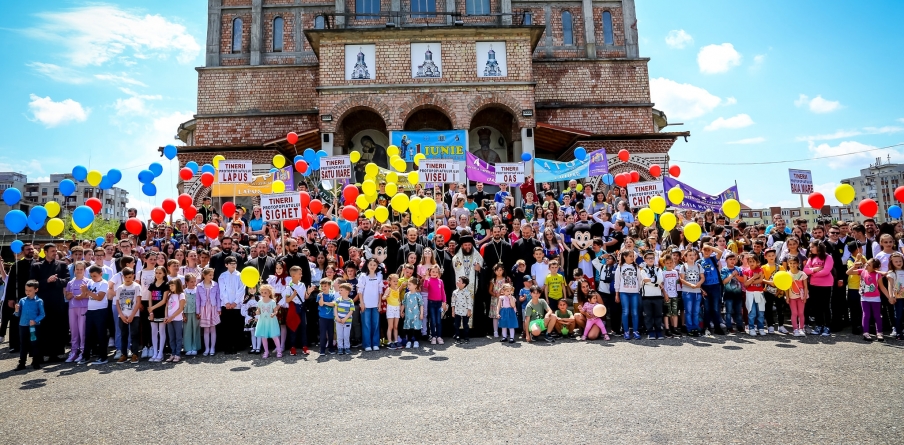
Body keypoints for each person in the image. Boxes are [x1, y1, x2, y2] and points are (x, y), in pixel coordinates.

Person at [848, 258, 885, 342]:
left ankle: (879, 332)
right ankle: (866, 332)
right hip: (864, 297)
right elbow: (848, 272)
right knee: (866, 315)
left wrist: (890, 297)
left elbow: (882, 287)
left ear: (874, 268)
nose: (866, 265)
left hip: (875, 298)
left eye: (869, 265)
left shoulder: (877, 275)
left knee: (877, 315)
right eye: (867, 263)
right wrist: (854, 266)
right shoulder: (862, 271)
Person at [804, 240, 834, 336]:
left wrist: (812, 274)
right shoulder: (811, 257)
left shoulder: (828, 257)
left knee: (825, 306)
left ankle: (827, 326)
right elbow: (805, 270)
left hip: (826, 285)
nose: (810, 249)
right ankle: (819, 325)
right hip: (814, 285)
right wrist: (814, 270)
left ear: (818, 247)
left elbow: (826, 271)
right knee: (817, 307)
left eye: (812, 247)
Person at [13, 280, 45, 371]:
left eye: (30, 290)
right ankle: (22, 363)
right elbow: (17, 315)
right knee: (23, 344)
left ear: (36, 290)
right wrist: (16, 310)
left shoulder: (39, 301)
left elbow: (42, 314)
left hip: (34, 327)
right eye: (26, 290)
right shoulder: (22, 300)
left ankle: (36, 362)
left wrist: (35, 321)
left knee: (35, 344)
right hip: (23, 325)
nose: (27, 292)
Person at [217, 256, 246, 354]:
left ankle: (235, 346)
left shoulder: (240, 275)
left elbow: (241, 289)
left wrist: (235, 302)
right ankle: (227, 346)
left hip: (236, 305)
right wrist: (226, 302)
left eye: (235, 263)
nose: (233, 265)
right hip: (226, 305)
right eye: (231, 264)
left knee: (236, 326)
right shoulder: (222, 275)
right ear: (226, 265)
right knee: (226, 326)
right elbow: (222, 289)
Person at [113, 268, 142, 363]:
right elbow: (117, 302)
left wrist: (132, 315)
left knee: (134, 334)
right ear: (123, 277)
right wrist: (121, 315)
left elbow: (138, 302)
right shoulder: (120, 288)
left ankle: (135, 354)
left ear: (133, 276)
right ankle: (124, 354)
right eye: (126, 277)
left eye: (130, 277)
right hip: (122, 316)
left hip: (134, 315)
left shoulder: (137, 286)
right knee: (123, 335)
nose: (128, 279)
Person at [83, 265, 109, 365]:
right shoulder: (90, 282)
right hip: (90, 311)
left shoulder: (104, 283)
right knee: (88, 334)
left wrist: (88, 292)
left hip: (101, 311)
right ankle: (86, 356)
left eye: (94, 276)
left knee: (101, 334)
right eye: (91, 276)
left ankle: (103, 357)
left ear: (100, 274)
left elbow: (99, 297)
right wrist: (84, 291)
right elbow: (86, 295)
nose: (93, 278)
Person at [64, 261, 90, 363]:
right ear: (74, 270)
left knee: (82, 330)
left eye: (81, 269)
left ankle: (83, 351)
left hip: (84, 307)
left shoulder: (88, 281)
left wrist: (82, 295)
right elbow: (67, 296)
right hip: (72, 308)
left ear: (84, 270)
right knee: (74, 331)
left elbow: (89, 295)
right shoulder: (70, 282)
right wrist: (69, 296)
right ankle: (74, 351)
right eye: (77, 269)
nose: (79, 271)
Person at [357, 258, 383, 351]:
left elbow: (380, 291)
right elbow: (360, 290)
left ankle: (375, 343)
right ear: (367, 265)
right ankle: (367, 344)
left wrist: (379, 303)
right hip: (366, 304)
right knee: (366, 324)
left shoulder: (379, 276)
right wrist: (362, 302)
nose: (372, 266)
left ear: (377, 266)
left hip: (375, 304)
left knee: (375, 324)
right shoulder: (363, 276)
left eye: (374, 265)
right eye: (371, 264)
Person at [615, 250, 641, 340]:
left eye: (633, 256)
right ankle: (626, 331)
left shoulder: (636, 267)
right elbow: (617, 281)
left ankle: (635, 331)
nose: (632, 257)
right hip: (624, 292)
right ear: (624, 257)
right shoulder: (620, 267)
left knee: (634, 312)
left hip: (634, 293)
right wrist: (617, 294)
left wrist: (638, 289)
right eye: (630, 256)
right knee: (625, 312)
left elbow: (639, 279)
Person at [640, 251, 665, 339]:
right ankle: (650, 331)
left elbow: (660, 280)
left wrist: (651, 281)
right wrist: (655, 282)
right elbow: (645, 279)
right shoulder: (643, 270)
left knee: (658, 314)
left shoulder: (658, 269)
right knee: (648, 315)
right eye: (648, 258)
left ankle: (658, 330)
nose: (651, 260)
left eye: (652, 258)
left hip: (657, 295)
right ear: (645, 260)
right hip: (647, 296)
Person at [678, 249, 703, 337]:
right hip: (687, 292)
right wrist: (690, 284)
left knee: (696, 311)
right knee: (688, 311)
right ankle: (689, 328)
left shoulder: (699, 266)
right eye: (690, 255)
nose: (692, 256)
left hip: (697, 292)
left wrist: (698, 284)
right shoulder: (683, 266)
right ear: (685, 257)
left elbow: (702, 277)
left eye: (694, 255)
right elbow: (682, 279)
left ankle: (695, 328)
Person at [197, 268, 221, 356]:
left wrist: (219, 308)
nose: (212, 276)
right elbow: (197, 299)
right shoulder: (199, 286)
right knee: (206, 330)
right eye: (210, 275)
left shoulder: (215, 284)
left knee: (213, 329)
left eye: (212, 275)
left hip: (213, 308)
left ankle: (212, 348)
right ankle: (207, 348)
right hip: (204, 309)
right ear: (204, 275)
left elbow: (218, 297)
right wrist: (198, 311)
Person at [254, 284, 282, 358]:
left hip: (271, 321)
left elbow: (275, 311)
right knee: (264, 337)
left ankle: (279, 351)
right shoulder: (260, 302)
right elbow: (259, 310)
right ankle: (266, 351)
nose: (263, 294)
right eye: (262, 292)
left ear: (269, 293)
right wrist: (257, 312)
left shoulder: (272, 302)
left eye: (265, 292)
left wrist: (274, 314)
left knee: (274, 336)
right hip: (263, 321)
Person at [164, 279, 186, 362]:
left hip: (177, 319)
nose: (171, 287)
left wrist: (171, 317)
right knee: (171, 337)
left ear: (177, 285)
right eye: (170, 285)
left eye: (172, 285)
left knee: (178, 337)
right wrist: (166, 317)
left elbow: (180, 309)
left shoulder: (181, 295)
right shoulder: (169, 295)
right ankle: (173, 353)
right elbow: (166, 307)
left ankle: (178, 354)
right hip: (169, 320)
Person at [744, 255, 766, 336]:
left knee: (760, 312)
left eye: (753, 261)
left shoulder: (760, 270)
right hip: (750, 294)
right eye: (750, 261)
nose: (752, 263)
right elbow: (745, 283)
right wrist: (753, 277)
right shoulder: (746, 271)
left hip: (759, 293)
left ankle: (761, 328)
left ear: (757, 262)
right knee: (752, 312)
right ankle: (751, 328)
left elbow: (760, 280)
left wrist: (750, 282)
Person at [424, 264, 447, 344]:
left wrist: (444, 302)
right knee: (433, 321)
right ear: (430, 272)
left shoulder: (440, 281)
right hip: (431, 303)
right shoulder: (429, 280)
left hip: (439, 303)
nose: (434, 273)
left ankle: (439, 336)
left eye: (436, 272)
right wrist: (426, 278)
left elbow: (443, 292)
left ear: (438, 273)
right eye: (433, 271)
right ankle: (433, 336)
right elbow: (425, 286)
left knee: (438, 321)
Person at [786, 256, 808, 337]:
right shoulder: (787, 274)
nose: (792, 265)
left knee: (801, 313)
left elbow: (805, 286)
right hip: (792, 297)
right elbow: (786, 287)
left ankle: (801, 328)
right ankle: (795, 329)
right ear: (788, 264)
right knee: (794, 313)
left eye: (794, 263)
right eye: (790, 263)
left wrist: (805, 296)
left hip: (801, 297)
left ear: (798, 264)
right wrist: (787, 297)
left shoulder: (802, 274)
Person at [401, 277, 424, 348]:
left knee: (416, 328)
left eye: (410, 285)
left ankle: (416, 341)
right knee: (409, 328)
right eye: (408, 285)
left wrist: (421, 313)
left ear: (415, 286)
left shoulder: (418, 295)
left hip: (416, 315)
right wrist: (401, 311)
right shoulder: (406, 295)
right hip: (408, 315)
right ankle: (409, 341)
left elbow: (421, 305)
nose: (408, 286)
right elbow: (404, 303)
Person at [317, 278, 336, 355]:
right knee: (323, 333)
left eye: (325, 286)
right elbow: (320, 304)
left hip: (331, 317)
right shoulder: (319, 295)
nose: (323, 287)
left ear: (329, 286)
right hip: (323, 317)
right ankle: (322, 349)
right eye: (322, 286)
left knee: (331, 333)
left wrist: (325, 302)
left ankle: (331, 348)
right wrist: (322, 298)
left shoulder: (332, 295)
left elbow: (333, 303)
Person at [382, 274, 402, 349]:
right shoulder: (388, 289)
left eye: (397, 281)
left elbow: (398, 299)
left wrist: (400, 309)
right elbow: (384, 297)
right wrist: (385, 296)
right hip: (390, 308)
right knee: (390, 326)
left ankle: (396, 341)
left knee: (396, 326)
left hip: (397, 308)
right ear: (389, 282)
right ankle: (390, 342)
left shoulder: (397, 289)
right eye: (394, 281)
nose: (396, 282)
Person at [334, 283, 355, 355]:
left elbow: (351, 310)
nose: (339, 291)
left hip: (347, 321)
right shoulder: (338, 300)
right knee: (339, 335)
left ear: (347, 292)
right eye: (339, 290)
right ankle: (340, 347)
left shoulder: (350, 301)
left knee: (346, 335)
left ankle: (347, 347)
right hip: (338, 321)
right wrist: (337, 317)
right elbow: (335, 309)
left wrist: (345, 319)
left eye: (341, 290)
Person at [451, 276, 473, 344]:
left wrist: (469, 311)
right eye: (457, 280)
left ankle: (466, 337)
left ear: (464, 284)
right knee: (456, 324)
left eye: (459, 281)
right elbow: (453, 302)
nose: (457, 282)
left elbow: (470, 302)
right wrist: (453, 310)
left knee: (465, 324)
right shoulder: (455, 292)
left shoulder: (467, 293)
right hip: (457, 311)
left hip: (465, 311)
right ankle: (457, 336)